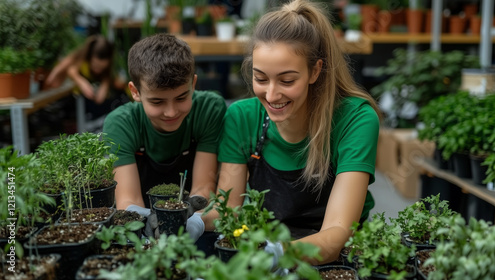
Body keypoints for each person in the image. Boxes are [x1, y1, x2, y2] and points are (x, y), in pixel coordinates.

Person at [189, 0, 381, 264]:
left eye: (287, 80)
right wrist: (193, 221)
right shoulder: (243, 117)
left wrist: (278, 254)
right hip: (269, 242)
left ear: (315, 71)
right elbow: (230, 210)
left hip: (338, 258)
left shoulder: (355, 119)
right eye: (260, 78)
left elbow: (336, 234)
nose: (271, 95)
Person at [102, 33, 226, 243]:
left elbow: (203, 189)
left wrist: (190, 221)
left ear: (193, 84)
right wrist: (146, 219)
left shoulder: (208, 110)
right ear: (135, 91)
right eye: (157, 102)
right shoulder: (121, 124)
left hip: (194, 222)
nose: (171, 112)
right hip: (143, 229)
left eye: (181, 98)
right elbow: (128, 201)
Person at [45, 35, 128, 129]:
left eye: (101, 68)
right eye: (95, 65)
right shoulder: (81, 58)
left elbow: (107, 80)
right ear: (90, 57)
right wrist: (82, 82)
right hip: (76, 100)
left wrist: (104, 87)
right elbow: (69, 70)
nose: (98, 70)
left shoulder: (107, 73)